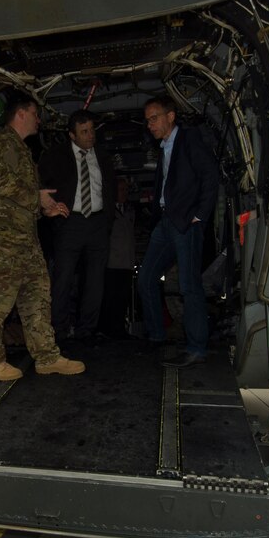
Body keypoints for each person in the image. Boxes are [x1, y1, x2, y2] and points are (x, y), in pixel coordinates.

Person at [0, 97, 85, 381]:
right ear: (21, 113)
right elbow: (1, 184)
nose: (39, 120)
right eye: (35, 114)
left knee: (37, 297)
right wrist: (37, 199)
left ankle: (47, 357)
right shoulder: (1, 142)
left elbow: (21, 195)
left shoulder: (22, 149)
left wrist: (44, 208)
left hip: (26, 235)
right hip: (6, 236)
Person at [137, 96, 221, 368]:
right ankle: (157, 336)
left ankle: (197, 347)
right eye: (148, 120)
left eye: (154, 118)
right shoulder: (163, 148)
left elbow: (210, 176)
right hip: (165, 222)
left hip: (186, 223)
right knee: (146, 277)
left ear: (170, 116)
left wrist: (200, 215)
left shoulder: (190, 140)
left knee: (188, 285)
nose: (150, 125)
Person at [39, 109, 115, 340]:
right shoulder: (55, 156)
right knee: (63, 278)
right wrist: (48, 208)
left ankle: (87, 331)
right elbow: (41, 185)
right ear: (72, 135)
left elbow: (110, 189)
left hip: (98, 223)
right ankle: (59, 330)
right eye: (84, 132)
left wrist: (108, 219)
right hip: (69, 222)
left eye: (92, 130)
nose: (90, 135)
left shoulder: (103, 155)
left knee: (95, 280)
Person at [99, 176, 136, 338]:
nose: (124, 193)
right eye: (121, 190)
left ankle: (119, 329)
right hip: (111, 263)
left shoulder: (129, 211)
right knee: (110, 298)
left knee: (122, 299)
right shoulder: (107, 212)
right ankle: (107, 329)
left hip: (126, 264)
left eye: (126, 190)